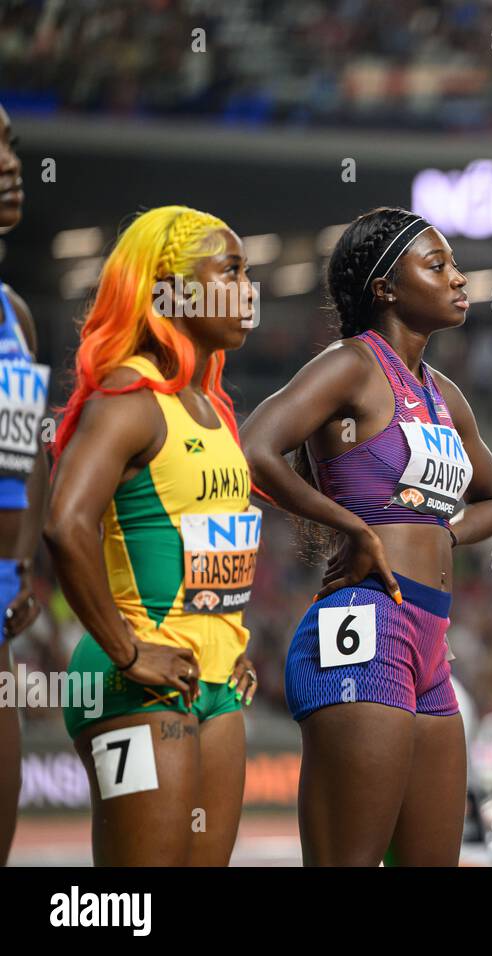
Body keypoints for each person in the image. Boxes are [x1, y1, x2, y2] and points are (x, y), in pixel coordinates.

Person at [241, 207, 492, 866]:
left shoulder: (444, 394)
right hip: (365, 627)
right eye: (437, 264)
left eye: (454, 264)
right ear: (386, 288)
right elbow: (254, 448)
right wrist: (350, 524)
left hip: (430, 640)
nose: (459, 278)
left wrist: (446, 533)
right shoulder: (352, 366)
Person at [45, 206, 260, 865]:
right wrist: (128, 652)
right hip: (132, 682)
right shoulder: (129, 397)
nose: (249, 287)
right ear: (172, 290)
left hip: (213, 683)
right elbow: (64, 523)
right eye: (231, 271)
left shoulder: (213, 408)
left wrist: (228, 639)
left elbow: (213, 544)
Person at [0, 102, 50, 863]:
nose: (10, 163)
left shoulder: (14, 315)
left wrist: (25, 563)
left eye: (10, 144)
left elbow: (30, 447)